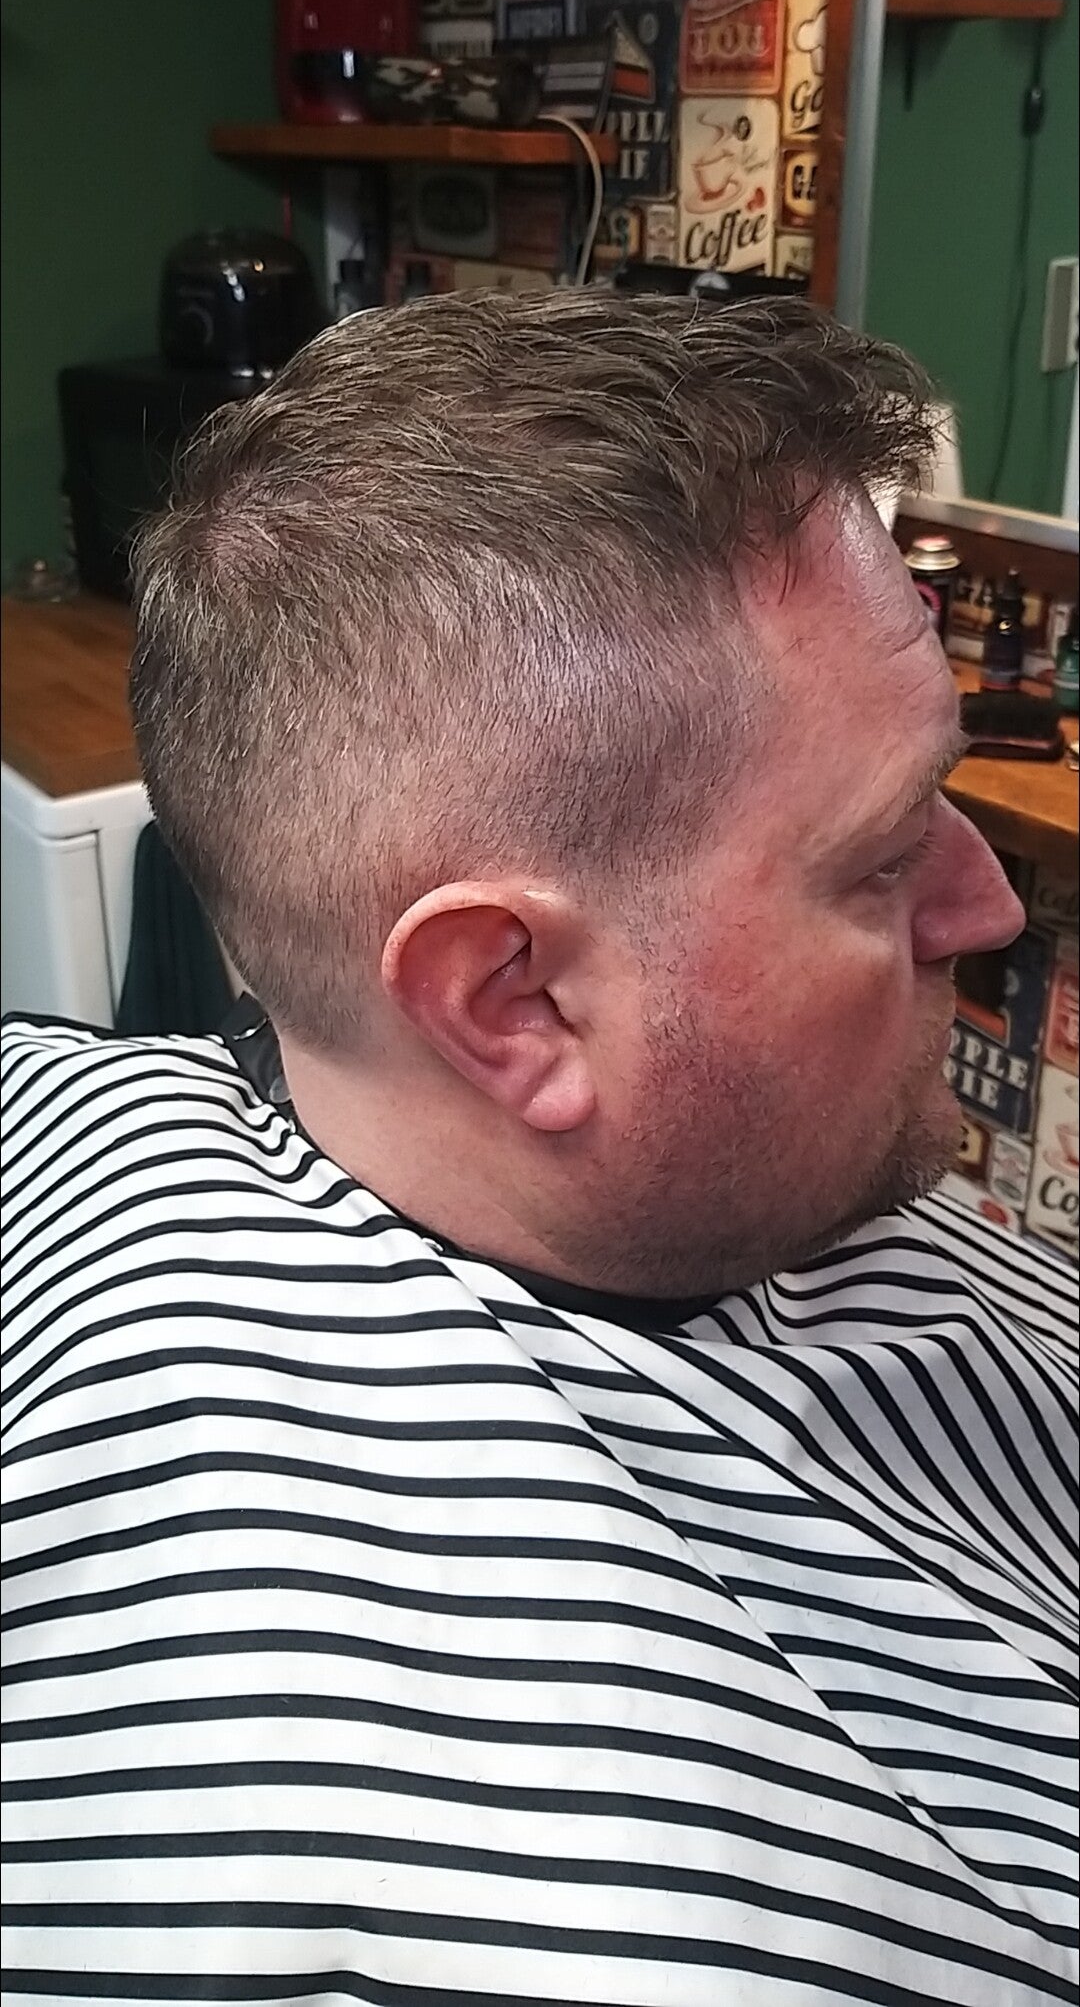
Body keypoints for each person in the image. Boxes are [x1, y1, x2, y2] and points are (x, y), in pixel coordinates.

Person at [2, 292, 1075, 2007]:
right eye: (881, 864)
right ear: (512, 1001)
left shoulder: (72, 1104)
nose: (986, 906)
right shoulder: (638, 1916)